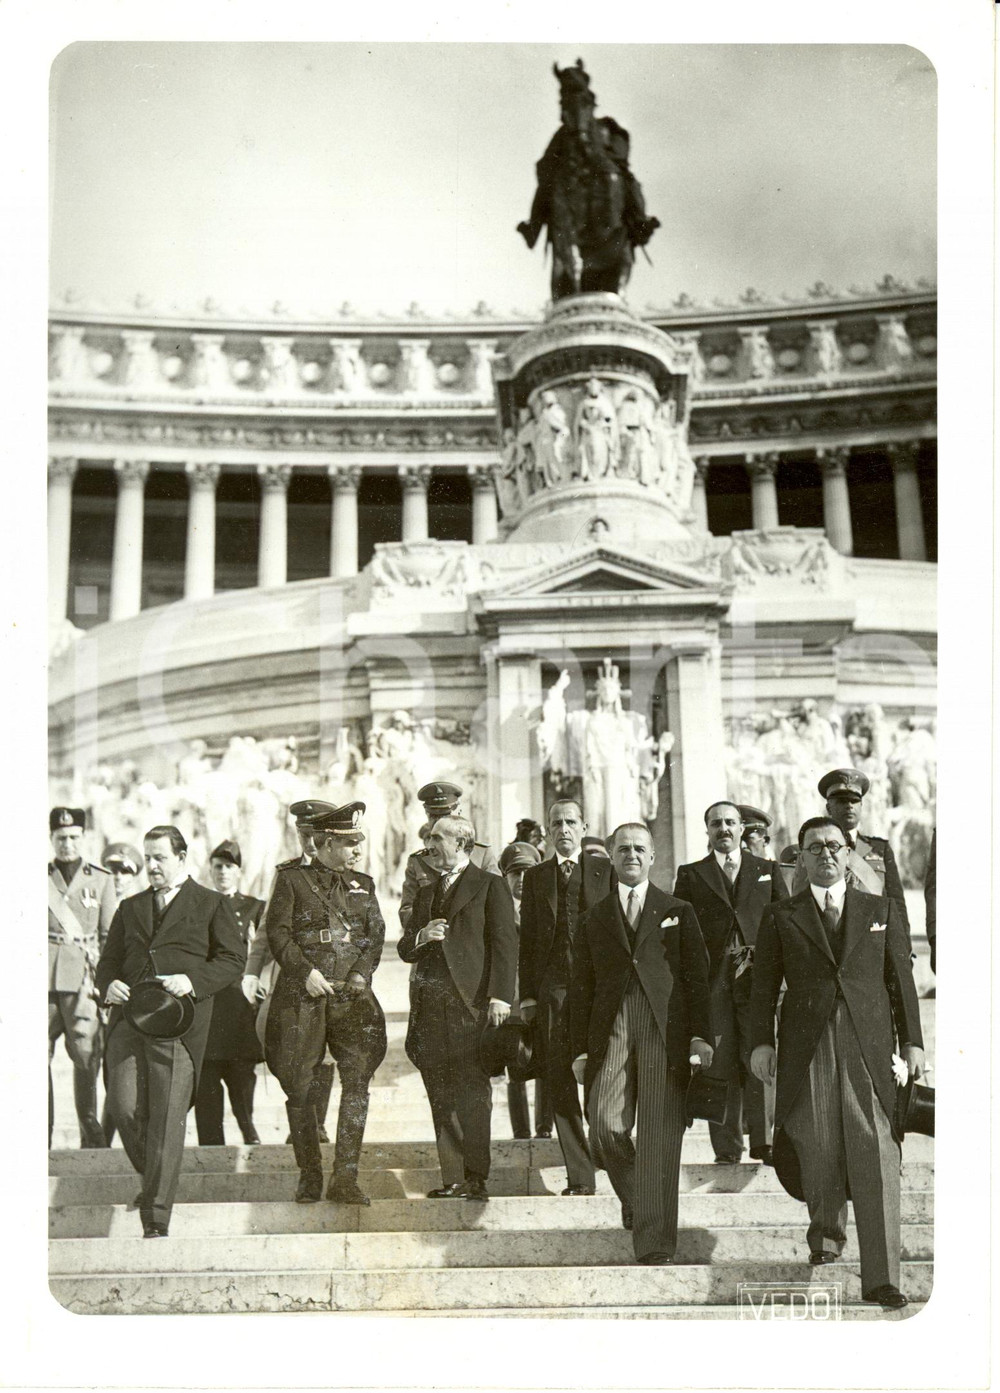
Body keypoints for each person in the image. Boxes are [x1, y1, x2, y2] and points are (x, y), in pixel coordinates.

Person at [750, 815, 925, 1309]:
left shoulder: (882, 908)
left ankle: (883, 1276)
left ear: (848, 854)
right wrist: (761, 1043)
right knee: (818, 1138)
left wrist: (913, 1041)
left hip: (868, 1043)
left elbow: (900, 979)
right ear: (801, 858)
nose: (826, 853)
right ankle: (825, 1238)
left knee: (875, 1147)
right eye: (814, 847)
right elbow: (762, 988)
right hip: (807, 1041)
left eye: (834, 845)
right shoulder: (781, 916)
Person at [571, 823, 713, 1264]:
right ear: (611, 858)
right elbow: (581, 988)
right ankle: (637, 1196)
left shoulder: (679, 910)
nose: (631, 855)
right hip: (612, 1026)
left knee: (658, 1138)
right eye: (623, 849)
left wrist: (701, 1036)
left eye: (639, 849)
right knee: (605, 1124)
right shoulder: (594, 917)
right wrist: (579, 1049)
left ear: (653, 857)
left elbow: (698, 979)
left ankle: (654, 1243)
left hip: (664, 1027)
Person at [95, 824, 245, 1236]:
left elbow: (233, 959)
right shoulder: (130, 907)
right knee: (123, 1106)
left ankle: (156, 1215)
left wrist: (193, 981)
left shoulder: (211, 903)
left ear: (181, 857)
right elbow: (108, 962)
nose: (151, 866)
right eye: (148, 858)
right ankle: (159, 1174)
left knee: (165, 1117)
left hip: (179, 1024)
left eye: (160, 858)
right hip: (129, 1018)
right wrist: (109, 983)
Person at [264, 801, 387, 1204]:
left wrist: (360, 974)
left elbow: (375, 934)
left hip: (351, 999)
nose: (357, 850)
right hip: (305, 996)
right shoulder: (291, 880)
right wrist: (305, 973)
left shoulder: (364, 885)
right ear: (327, 842)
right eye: (350, 843)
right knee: (299, 1088)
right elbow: (278, 935)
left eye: (358, 842)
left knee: (357, 1085)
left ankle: (345, 1178)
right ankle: (310, 1175)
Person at [398, 815, 517, 1201]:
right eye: (430, 837)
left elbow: (504, 944)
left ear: (462, 843)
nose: (429, 844)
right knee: (439, 1090)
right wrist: (421, 936)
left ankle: (476, 1177)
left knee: (473, 1092)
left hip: (472, 1006)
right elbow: (404, 949)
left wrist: (501, 996)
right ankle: (453, 1177)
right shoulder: (426, 892)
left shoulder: (490, 885)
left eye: (437, 838)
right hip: (432, 1008)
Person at [673, 802, 782, 1164]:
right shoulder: (690, 874)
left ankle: (764, 1141)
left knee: (759, 1049)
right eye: (716, 823)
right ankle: (726, 1147)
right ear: (708, 831)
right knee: (717, 1058)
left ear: (741, 828)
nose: (724, 829)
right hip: (713, 976)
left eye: (730, 823)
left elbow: (784, 920)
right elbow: (682, 933)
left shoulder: (766, 869)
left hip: (757, 975)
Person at [518, 799, 612, 1196]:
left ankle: (606, 1144)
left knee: (599, 1076)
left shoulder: (604, 871)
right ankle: (580, 1176)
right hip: (553, 991)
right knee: (558, 1080)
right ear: (549, 830)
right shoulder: (537, 877)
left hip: (596, 992)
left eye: (571, 822)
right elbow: (529, 942)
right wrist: (528, 997)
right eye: (556, 823)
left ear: (584, 826)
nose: (563, 829)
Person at [244, 801, 337, 1144]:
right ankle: (302, 1110)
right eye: (302, 832)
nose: (308, 840)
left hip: (327, 978)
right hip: (290, 979)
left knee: (323, 1053)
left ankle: (315, 1123)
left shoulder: (339, 870)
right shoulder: (286, 872)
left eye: (314, 832)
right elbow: (268, 929)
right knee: (284, 1052)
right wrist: (251, 972)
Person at [48, 806, 117, 1148]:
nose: (67, 844)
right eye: (61, 838)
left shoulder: (100, 879)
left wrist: (103, 982)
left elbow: (109, 938)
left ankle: (91, 1140)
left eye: (74, 837)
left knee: (86, 1057)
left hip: (82, 981)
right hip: (42, 980)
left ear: (84, 838)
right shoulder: (38, 877)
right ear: (52, 839)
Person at [194, 840, 266, 1146]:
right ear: (210, 870)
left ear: (239, 871)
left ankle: (249, 1133)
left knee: (241, 1077)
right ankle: (211, 1145)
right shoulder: (196, 906)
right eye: (218, 867)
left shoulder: (254, 908)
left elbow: (268, 952)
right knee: (207, 1082)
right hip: (208, 1008)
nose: (223, 872)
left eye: (229, 867)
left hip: (238, 1008)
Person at [798, 770, 910, 937]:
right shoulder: (810, 848)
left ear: (861, 806)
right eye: (842, 800)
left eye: (855, 800)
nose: (849, 805)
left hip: (873, 936)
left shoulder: (880, 849)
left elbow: (896, 904)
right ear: (829, 807)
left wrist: (904, 948)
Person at [497, 840, 552, 1141]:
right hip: (510, 1000)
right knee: (514, 1063)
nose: (521, 880)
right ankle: (521, 1132)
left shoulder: (547, 907)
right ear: (504, 876)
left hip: (542, 999)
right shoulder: (498, 910)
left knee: (546, 1064)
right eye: (514, 873)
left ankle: (544, 1128)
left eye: (527, 872)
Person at [398, 782, 499, 932]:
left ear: (457, 814)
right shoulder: (418, 861)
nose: (439, 822)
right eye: (433, 816)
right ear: (427, 816)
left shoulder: (482, 855)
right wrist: (430, 926)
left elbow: (498, 903)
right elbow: (407, 910)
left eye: (445, 815)